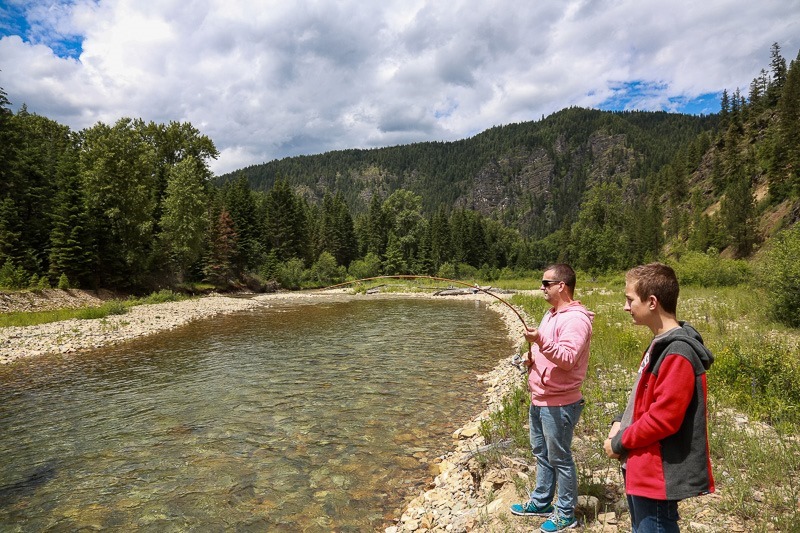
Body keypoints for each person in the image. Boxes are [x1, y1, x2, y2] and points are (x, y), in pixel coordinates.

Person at [604, 263, 715, 532]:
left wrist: (618, 443)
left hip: (655, 473)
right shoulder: (660, 343)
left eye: (630, 299)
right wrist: (620, 420)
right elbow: (642, 396)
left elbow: (664, 419)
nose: (625, 306)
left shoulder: (677, 352)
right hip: (641, 465)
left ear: (652, 302)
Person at [510, 263, 594, 532]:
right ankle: (542, 502)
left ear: (562, 286)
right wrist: (530, 357)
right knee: (541, 454)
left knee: (560, 458)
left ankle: (565, 513)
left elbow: (568, 359)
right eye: (542, 283)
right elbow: (547, 352)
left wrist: (540, 342)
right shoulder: (551, 315)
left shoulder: (576, 319)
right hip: (540, 398)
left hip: (560, 402)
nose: (541, 287)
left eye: (546, 283)